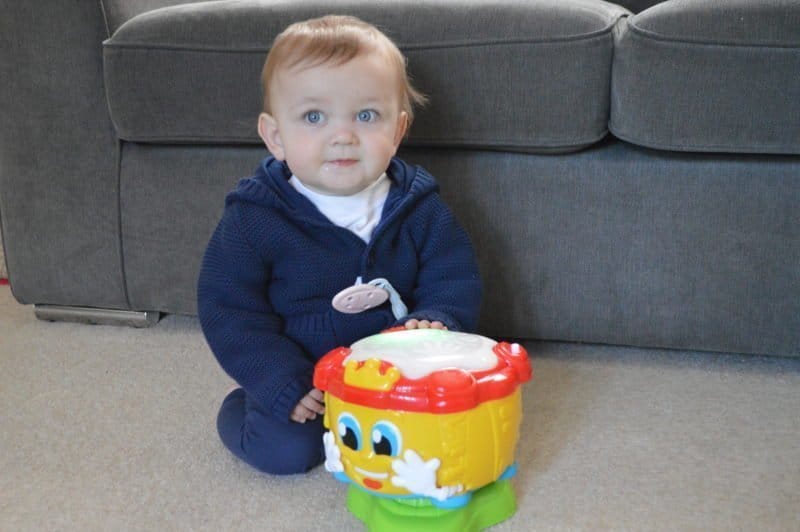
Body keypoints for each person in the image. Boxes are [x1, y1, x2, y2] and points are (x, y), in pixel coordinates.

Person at [197, 15, 481, 475]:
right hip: (304, 377)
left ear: (398, 130)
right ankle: (244, 406)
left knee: (437, 444)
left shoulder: (419, 206)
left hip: (397, 373)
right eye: (314, 117)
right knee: (285, 453)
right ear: (275, 137)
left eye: (366, 116)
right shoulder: (255, 218)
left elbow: (453, 274)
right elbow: (228, 309)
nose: (343, 135)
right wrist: (277, 381)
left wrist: (436, 320)